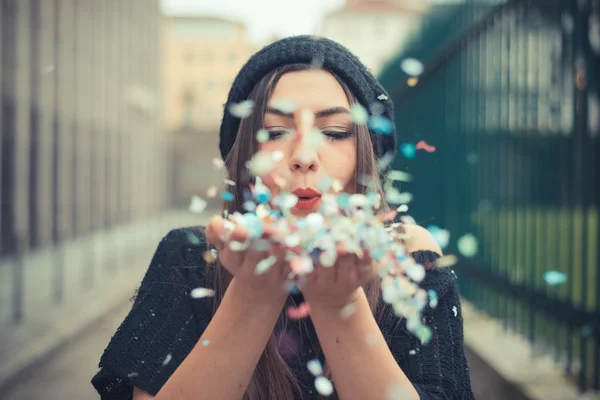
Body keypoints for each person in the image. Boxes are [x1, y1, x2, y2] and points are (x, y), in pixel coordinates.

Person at [92, 36, 475, 400]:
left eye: (335, 132)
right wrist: (253, 296)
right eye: (275, 131)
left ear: (367, 157)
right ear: (244, 157)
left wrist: (338, 303)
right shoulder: (190, 256)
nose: (304, 156)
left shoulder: (407, 255)